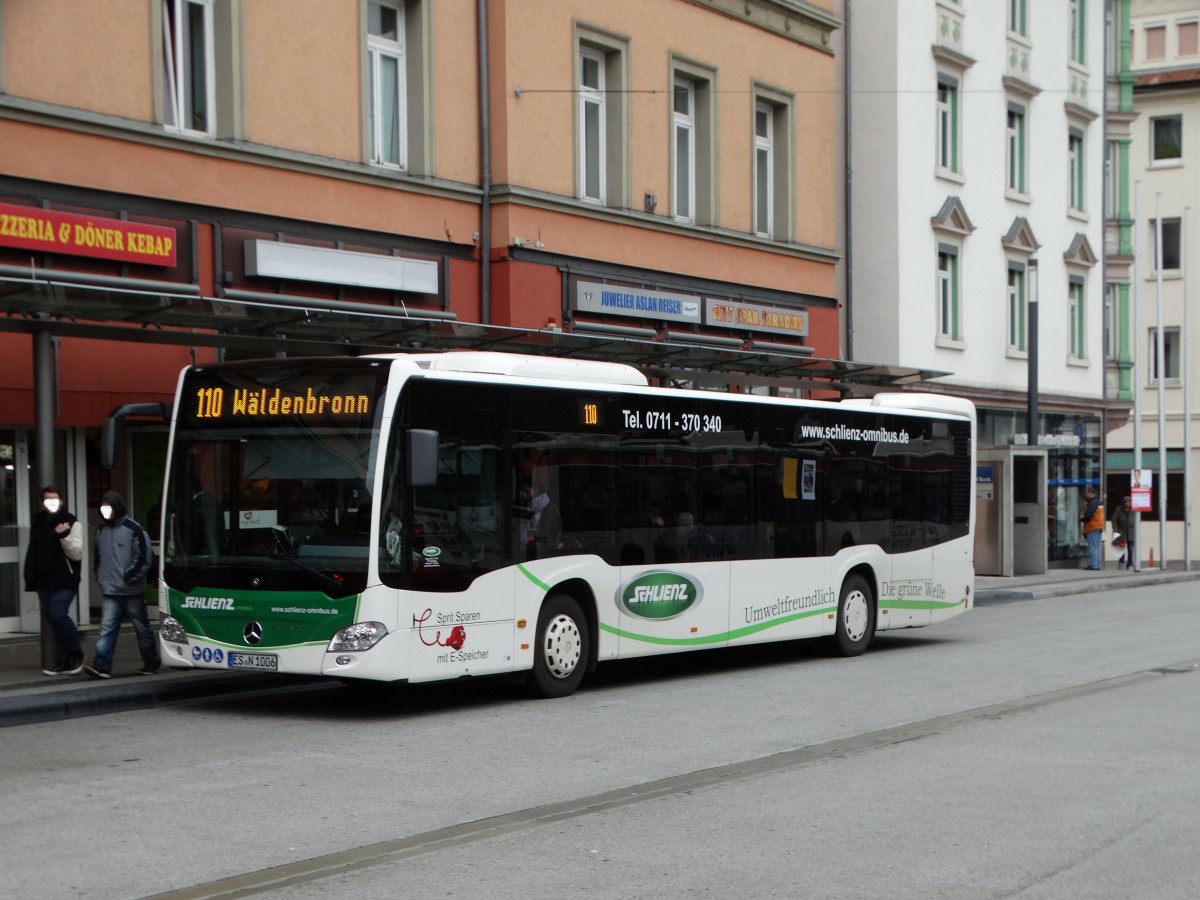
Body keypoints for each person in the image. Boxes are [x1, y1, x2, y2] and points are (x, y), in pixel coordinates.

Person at [84, 491, 161, 679]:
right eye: (103, 508)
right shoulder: (101, 531)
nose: (106, 512)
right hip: (110, 590)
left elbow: (144, 558)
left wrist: (128, 577)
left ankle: (151, 662)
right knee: (107, 629)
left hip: (132, 591)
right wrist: (100, 577)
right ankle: (101, 665)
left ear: (117, 507)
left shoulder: (134, 529)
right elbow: (98, 557)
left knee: (141, 628)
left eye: (109, 507)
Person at [23, 486, 85, 676]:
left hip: (65, 578)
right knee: (53, 619)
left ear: (61, 501)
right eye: (48, 500)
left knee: (58, 613)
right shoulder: (39, 522)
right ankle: (63, 659)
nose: (51, 503)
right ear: (43, 503)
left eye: (55, 500)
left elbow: (76, 554)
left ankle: (76, 654)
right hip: (44, 579)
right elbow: (34, 549)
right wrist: (30, 574)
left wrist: (63, 535)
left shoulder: (72, 523)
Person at [1080, 487, 1105, 570]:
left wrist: (1082, 519)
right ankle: (1097, 564)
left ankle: (1094, 565)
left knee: (1093, 547)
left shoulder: (1093, 503)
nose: (1087, 495)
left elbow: (1089, 515)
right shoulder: (1099, 502)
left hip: (1093, 526)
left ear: (1091, 493)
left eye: (1087, 493)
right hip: (1099, 526)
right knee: (1097, 547)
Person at [1111, 495, 1137, 571]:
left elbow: (1136, 520)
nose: (1128, 504)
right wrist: (1115, 529)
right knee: (1121, 548)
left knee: (1130, 549)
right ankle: (1121, 562)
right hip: (1121, 532)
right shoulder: (1118, 510)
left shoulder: (1134, 510)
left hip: (1131, 532)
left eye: (1129, 502)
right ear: (1124, 503)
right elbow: (1114, 519)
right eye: (1127, 502)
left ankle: (1130, 563)